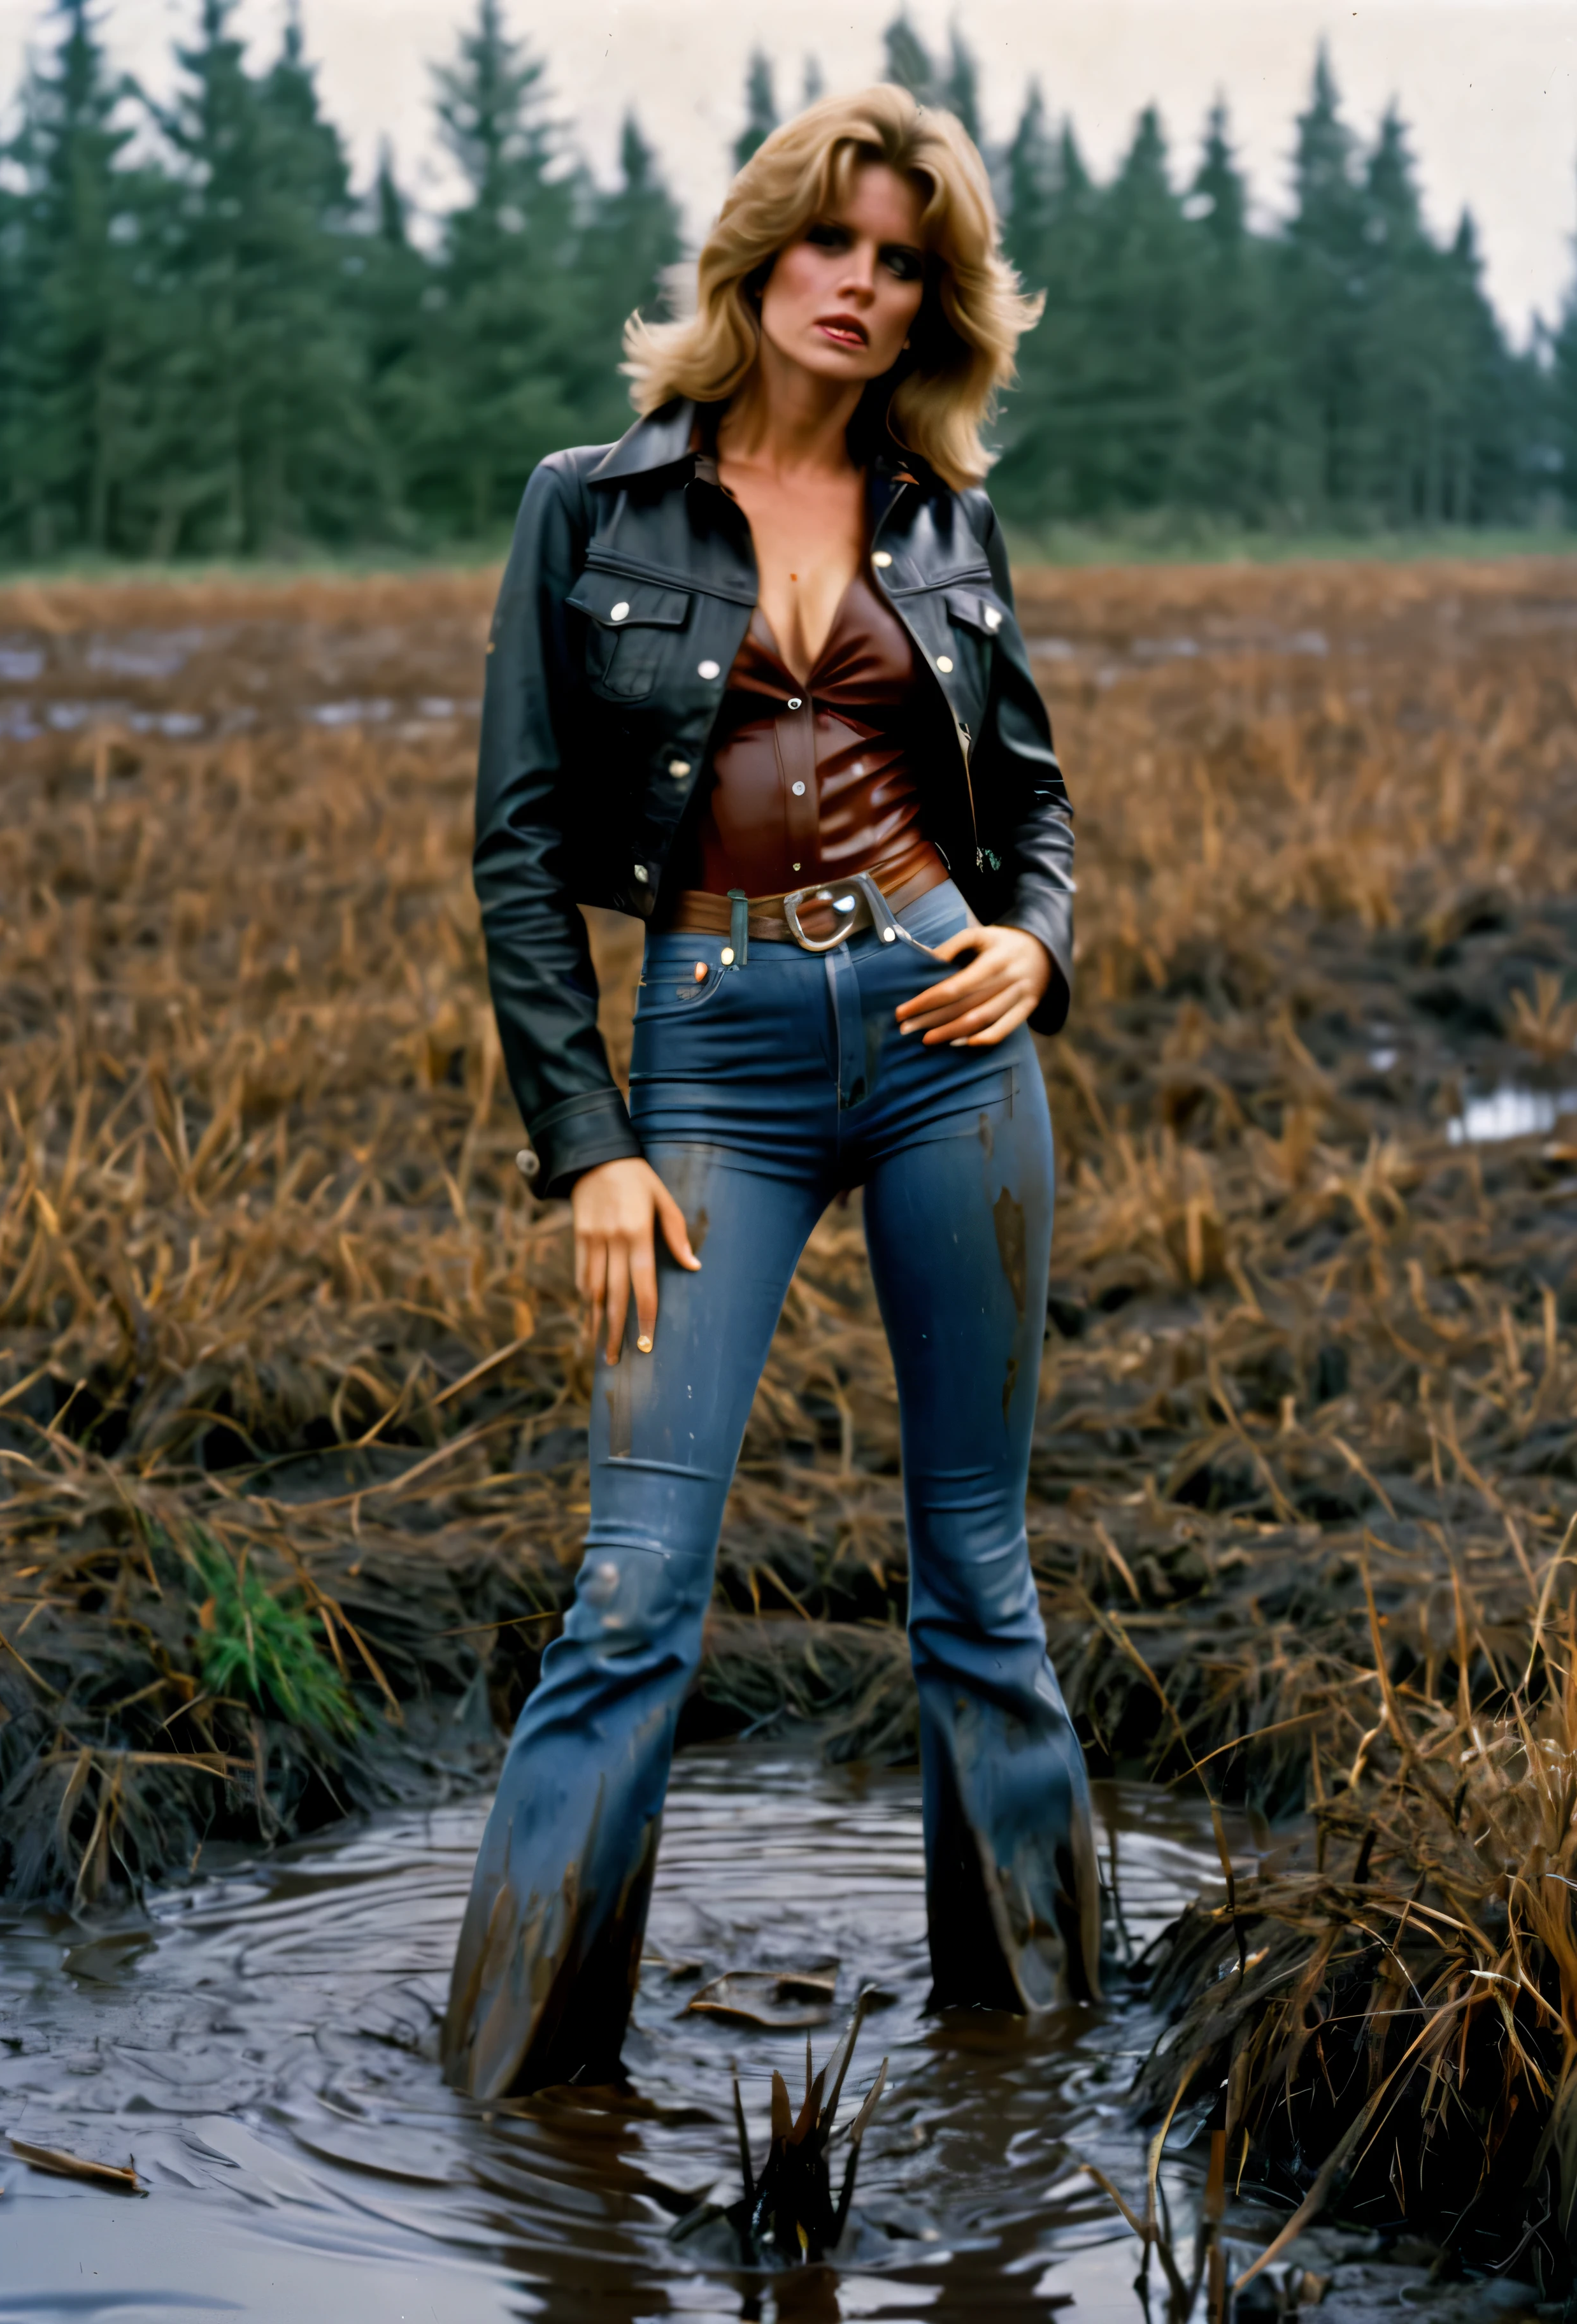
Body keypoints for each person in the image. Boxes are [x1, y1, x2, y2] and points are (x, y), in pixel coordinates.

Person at [443, 84, 1098, 2103]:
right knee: (633, 1588)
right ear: (762, 257)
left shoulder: (947, 520)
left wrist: (1037, 942)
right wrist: (591, 1155)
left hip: (942, 1052)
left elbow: (1039, 800)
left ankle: (1039, 2058)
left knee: (979, 1578)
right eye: (841, 246)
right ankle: (513, 2097)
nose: (869, 289)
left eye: (909, 265)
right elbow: (519, 848)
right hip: (710, 1049)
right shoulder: (590, 503)